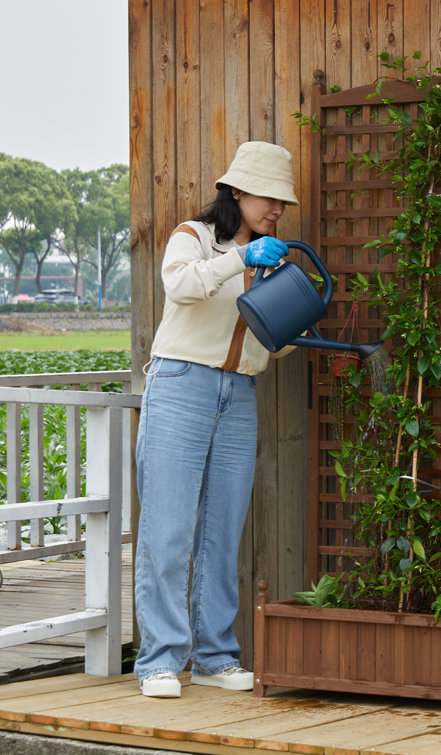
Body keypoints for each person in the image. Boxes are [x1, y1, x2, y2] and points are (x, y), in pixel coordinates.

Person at [133, 141, 299, 698]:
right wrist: (239, 259)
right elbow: (180, 287)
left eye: (282, 201)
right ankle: (159, 659)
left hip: (240, 393)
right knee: (169, 528)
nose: (276, 209)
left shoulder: (271, 255)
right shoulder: (194, 237)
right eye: (267, 197)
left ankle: (214, 656)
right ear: (236, 192)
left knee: (222, 532)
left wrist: (297, 319)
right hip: (181, 385)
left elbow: (269, 343)